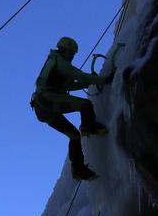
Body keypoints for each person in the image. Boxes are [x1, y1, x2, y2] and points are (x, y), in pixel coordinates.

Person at [30, 36, 112, 181]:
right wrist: (103, 80)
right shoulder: (60, 63)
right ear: (64, 51)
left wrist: (86, 83)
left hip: (44, 110)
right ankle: (89, 126)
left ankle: (78, 169)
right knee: (85, 105)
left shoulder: (54, 63)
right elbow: (78, 75)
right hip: (48, 100)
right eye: (71, 53)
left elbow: (67, 86)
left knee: (74, 136)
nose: (72, 56)